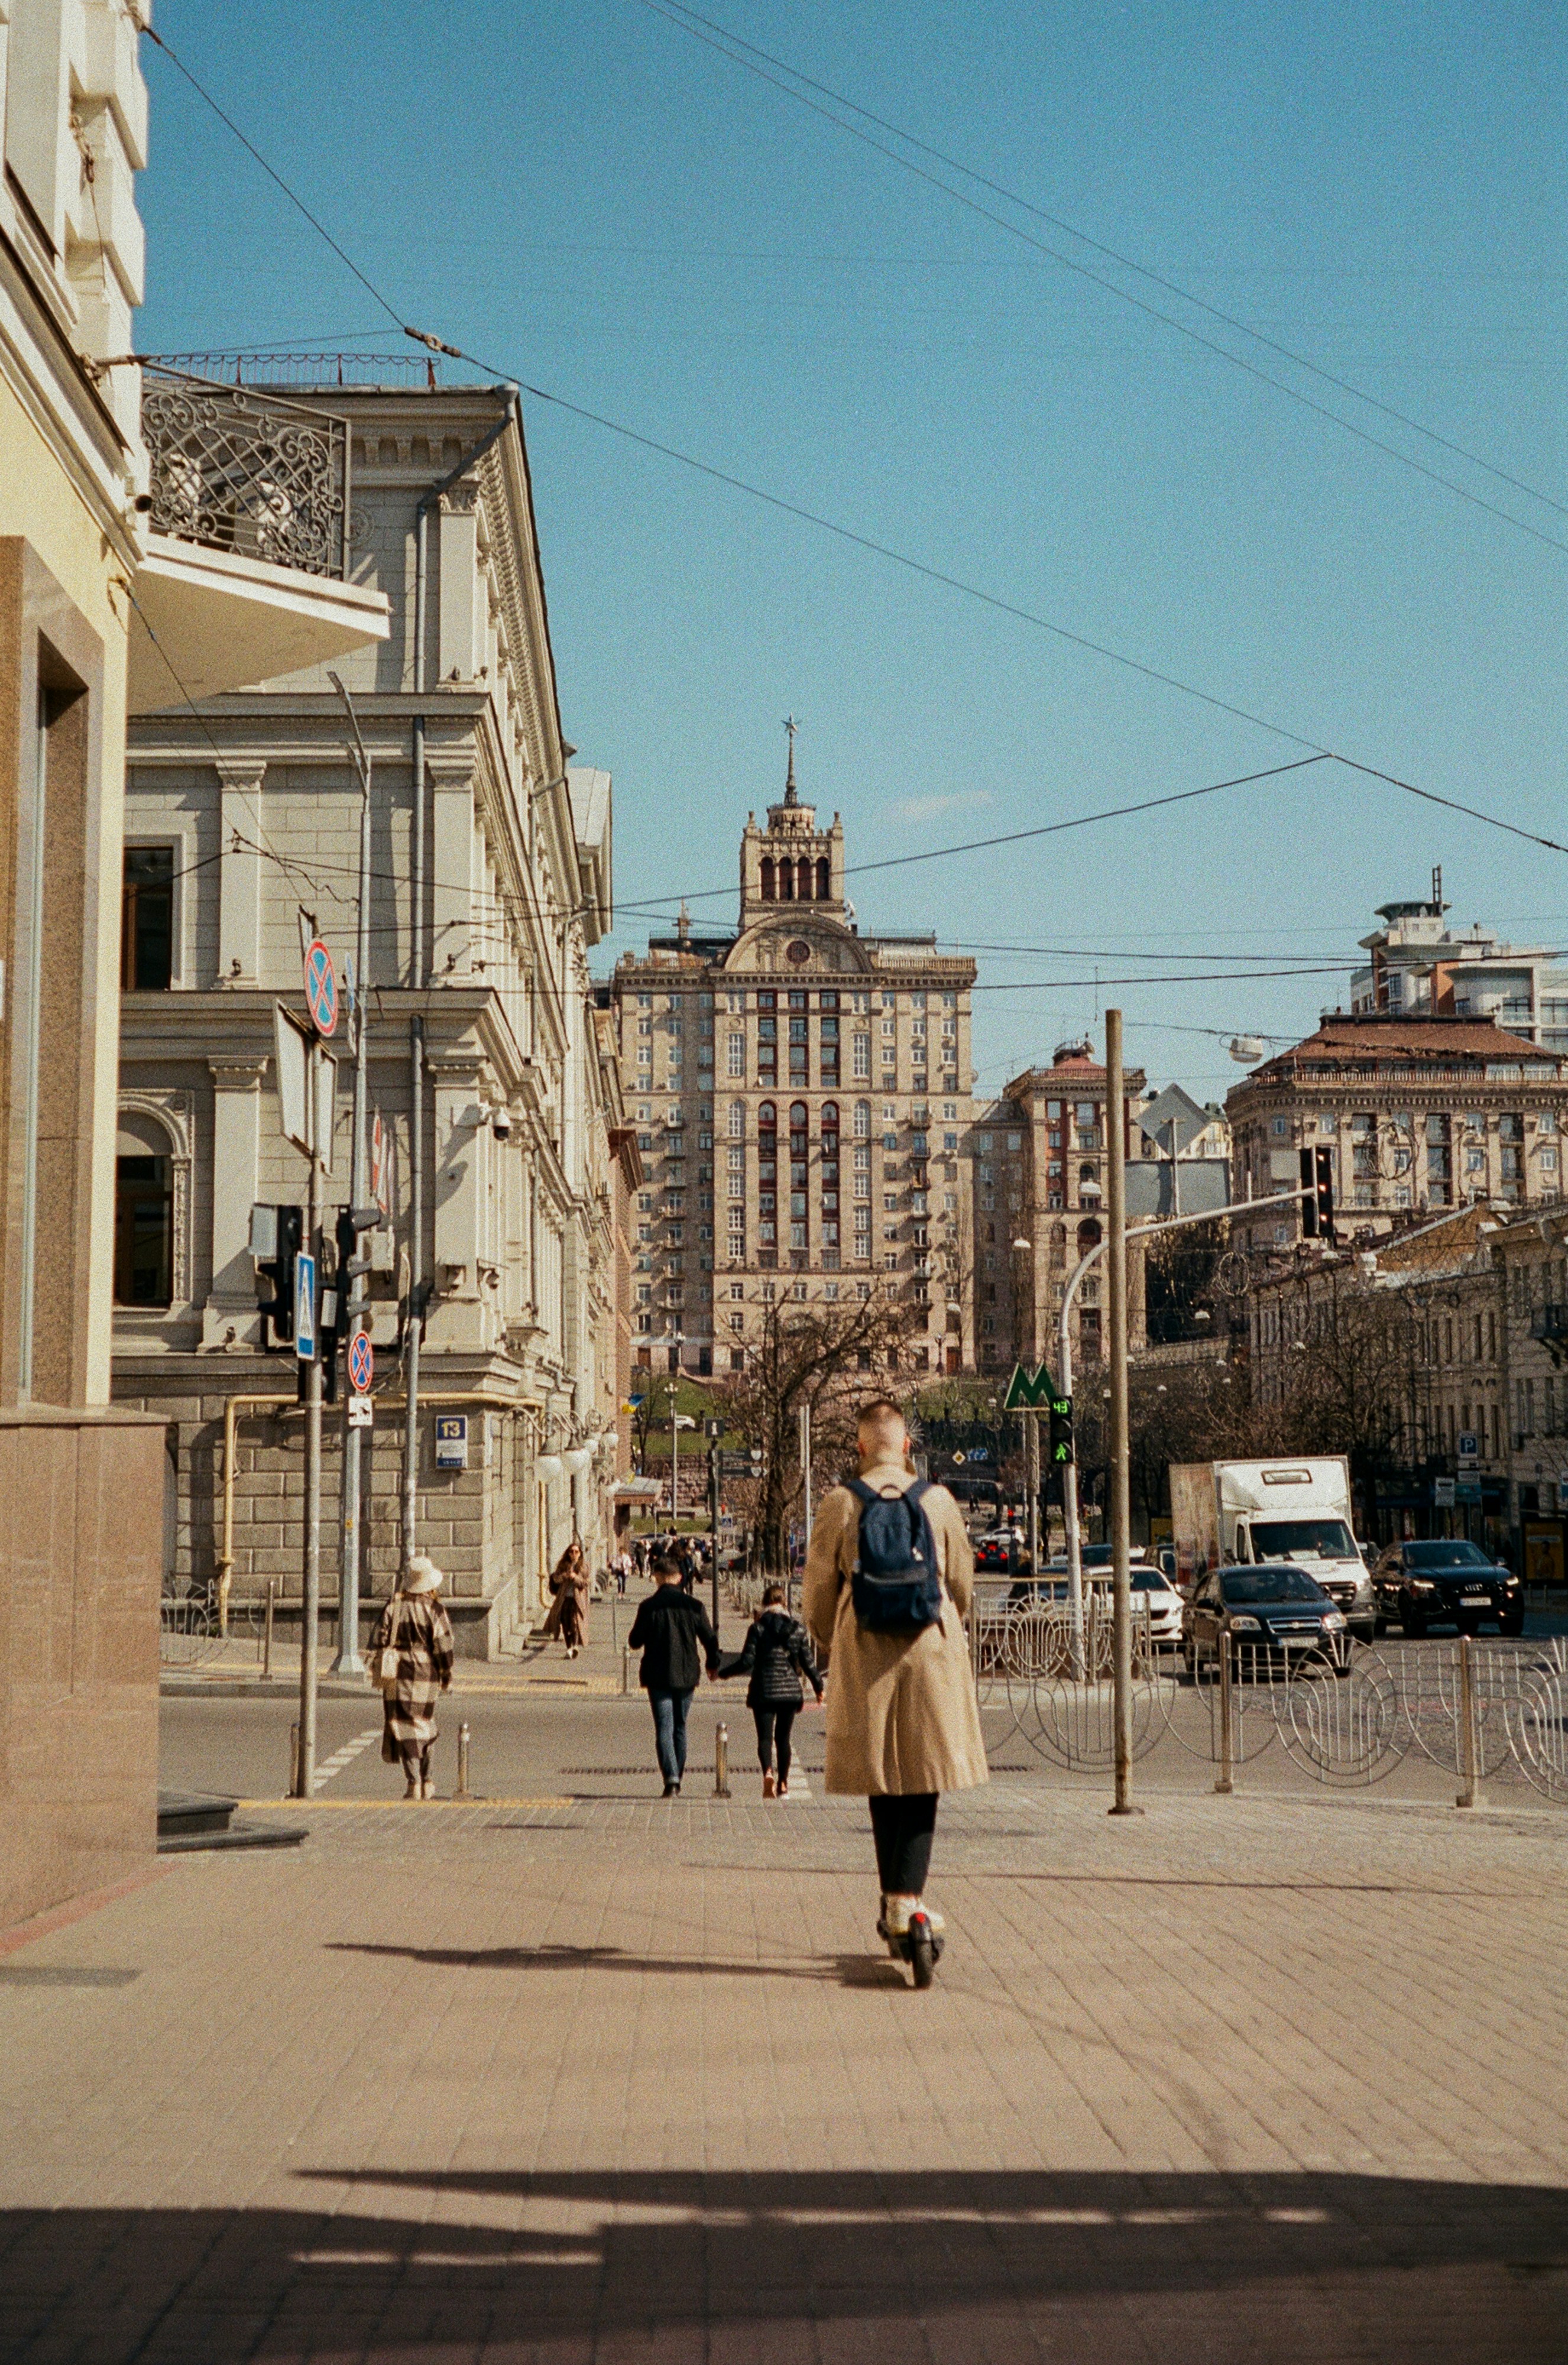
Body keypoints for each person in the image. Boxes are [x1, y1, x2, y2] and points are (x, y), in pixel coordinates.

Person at [804, 1398, 988, 1945]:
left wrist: (830, 1639)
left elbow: (817, 1597)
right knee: (924, 1774)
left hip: (866, 1649)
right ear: (908, 1446)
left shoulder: (839, 1504)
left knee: (881, 1776)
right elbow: (960, 1587)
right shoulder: (939, 1502)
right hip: (930, 1647)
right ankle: (908, 1899)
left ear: (859, 1448)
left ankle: (897, 1900)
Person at [626, 1552, 721, 1795]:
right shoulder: (694, 1606)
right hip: (687, 1673)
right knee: (680, 1725)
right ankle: (678, 1773)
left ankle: (671, 1778)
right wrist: (713, 1664)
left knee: (664, 1727)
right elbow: (710, 1639)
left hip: (658, 1674)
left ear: (657, 1577)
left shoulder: (648, 1607)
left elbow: (635, 1641)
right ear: (679, 1577)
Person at [721, 1582, 822, 1799]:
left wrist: (724, 1673)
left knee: (765, 1738)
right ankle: (784, 1783)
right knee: (783, 1739)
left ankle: (768, 1772)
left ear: (765, 1603)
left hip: (763, 1689)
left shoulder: (757, 1628)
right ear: (784, 1603)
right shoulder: (797, 1629)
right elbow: (808, 1662)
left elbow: (747, 1661)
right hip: (790, 1692)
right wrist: (818, 1687)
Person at [372, 1555, 455, 1799]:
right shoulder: (435, 1610)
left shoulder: (394, 1607)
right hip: (426, 1672)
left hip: (397, 1672)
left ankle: (413, 1784)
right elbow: (444, 1646)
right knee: (424, 1724)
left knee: (404, 1727)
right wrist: (446, 1675)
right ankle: (428, 1780)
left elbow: (380, 1639)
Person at [542, 1538, 591, 1658]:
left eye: (576, 1552)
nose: (574, 1554)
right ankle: (569, 1648)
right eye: (571, 1552)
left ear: (580, 1553)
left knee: (575, 1622)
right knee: (565, 1622)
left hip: (577, 1600)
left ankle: (575, 1646)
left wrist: (575, 1578)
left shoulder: (584, 1566)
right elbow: (555, 1579)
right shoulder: (563, 1565)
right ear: (568, 1553)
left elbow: (586, 1583)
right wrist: (565, 1575)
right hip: (564, 1599)